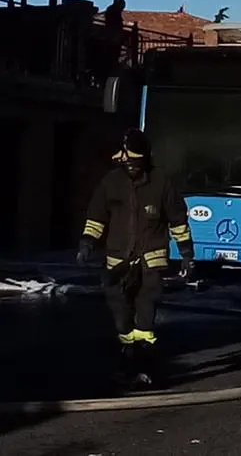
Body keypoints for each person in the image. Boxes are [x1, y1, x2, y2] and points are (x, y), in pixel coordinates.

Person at [76, 128, 195, 385]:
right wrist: (87, 243)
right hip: (117, 262)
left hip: (150, 262)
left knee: (144, 318)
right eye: (126, 161)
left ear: (145, 158)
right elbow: (96, 217)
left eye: (136, 161)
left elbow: (177, 221)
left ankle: (146, 367)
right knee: (121, 317)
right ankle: (126, 360)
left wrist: (187, 254)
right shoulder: (111, 183)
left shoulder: (162, 182)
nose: (131, 165)